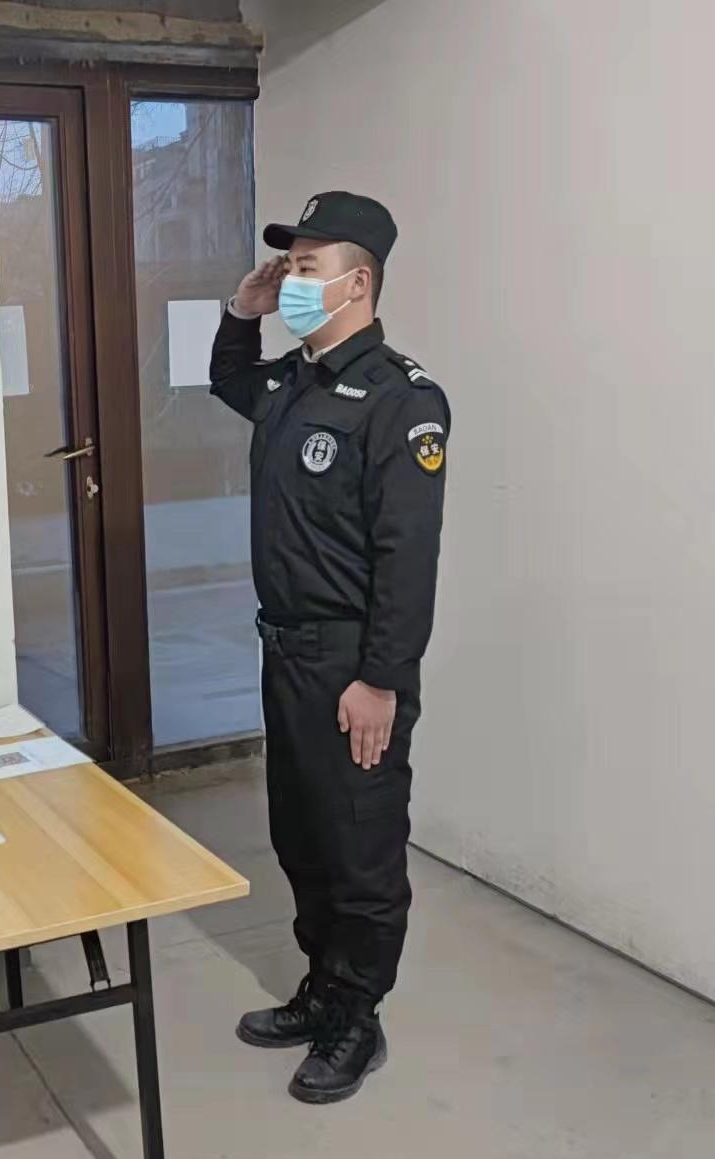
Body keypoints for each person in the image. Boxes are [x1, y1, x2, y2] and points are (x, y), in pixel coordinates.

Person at [210, 191, 450, 1104]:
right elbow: (231, 379)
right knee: (302, 833)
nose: (292, 280)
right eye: (289, 265)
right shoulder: (291, 384)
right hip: (287, 655)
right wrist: (244, 310)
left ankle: (359, 1016)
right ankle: (323, 988)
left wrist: (380, 680)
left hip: (353, 664)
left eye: (307, 267)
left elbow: (407, 558)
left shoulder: (401, 400)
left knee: (360, 844)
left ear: (359, 283)